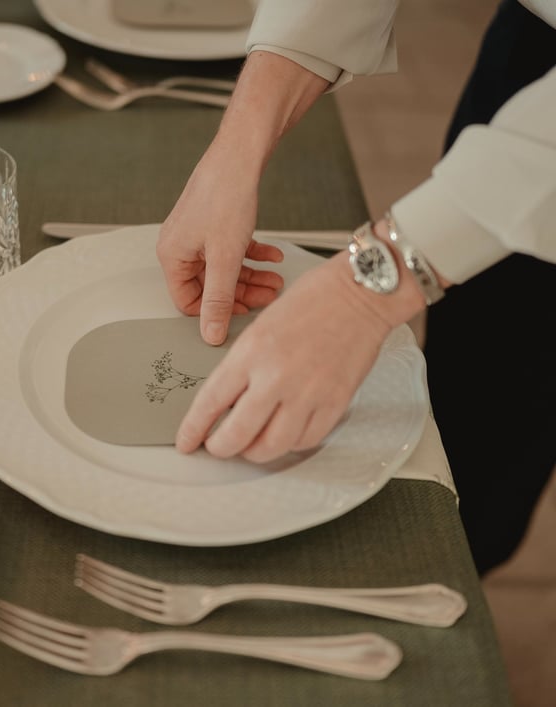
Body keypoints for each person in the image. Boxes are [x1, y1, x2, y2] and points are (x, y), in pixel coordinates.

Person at [156, 0, 556, 575]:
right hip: (531, 44)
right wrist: (240, 139)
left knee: (492, 475)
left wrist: (361, 291)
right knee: (468, 395)